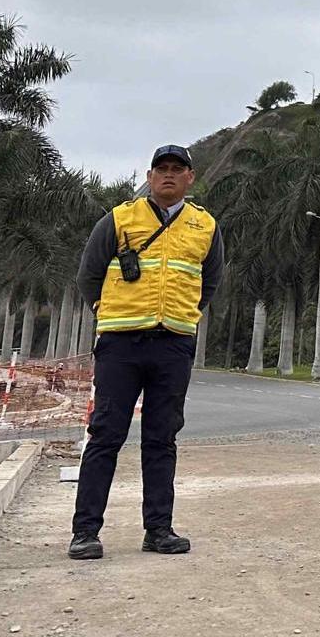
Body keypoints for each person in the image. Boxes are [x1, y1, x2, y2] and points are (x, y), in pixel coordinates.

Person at [69, 145, 224, 560]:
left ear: (190, 178)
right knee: (106, 435)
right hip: (121, 344)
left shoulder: (204, 226)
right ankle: (85, 532)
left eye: (178, 170)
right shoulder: (120, 219)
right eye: (162, 170)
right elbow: (89, 274)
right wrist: (106, 310)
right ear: (150, 176)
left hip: (173, 344)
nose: (169, 176)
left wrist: (184, 316)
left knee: (162, 439)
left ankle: (159, 530)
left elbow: (209, 282)